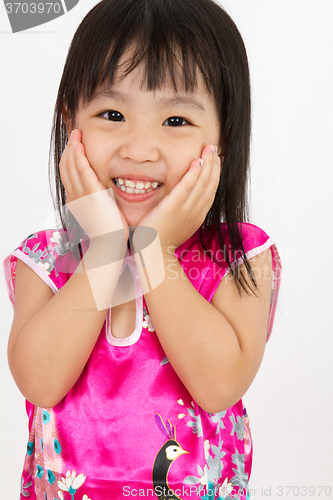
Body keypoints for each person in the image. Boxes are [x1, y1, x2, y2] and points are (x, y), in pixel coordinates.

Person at [4, 0, 282, 498]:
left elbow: (218, 385)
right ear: (72, 125)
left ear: (224, 137)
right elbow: (40, 382)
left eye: (176, 121)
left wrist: (155, 251)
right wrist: (107, 247)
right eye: (113, 114)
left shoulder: (239, 258)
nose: (140, 149)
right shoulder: (48, 257)